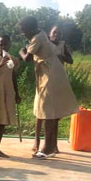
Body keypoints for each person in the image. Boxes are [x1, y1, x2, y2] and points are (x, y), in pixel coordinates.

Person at [18, 18, 78, 160]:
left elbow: (26, 58)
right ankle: (50, 146)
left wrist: (21, 51)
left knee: (48, 111)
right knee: (49, 111)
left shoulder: (37, 38)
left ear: (31, 30)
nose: (23, 35)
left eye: (24, 32)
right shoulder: (41, 34)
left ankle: (47, 147)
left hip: (51, 76)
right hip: (51, 73)